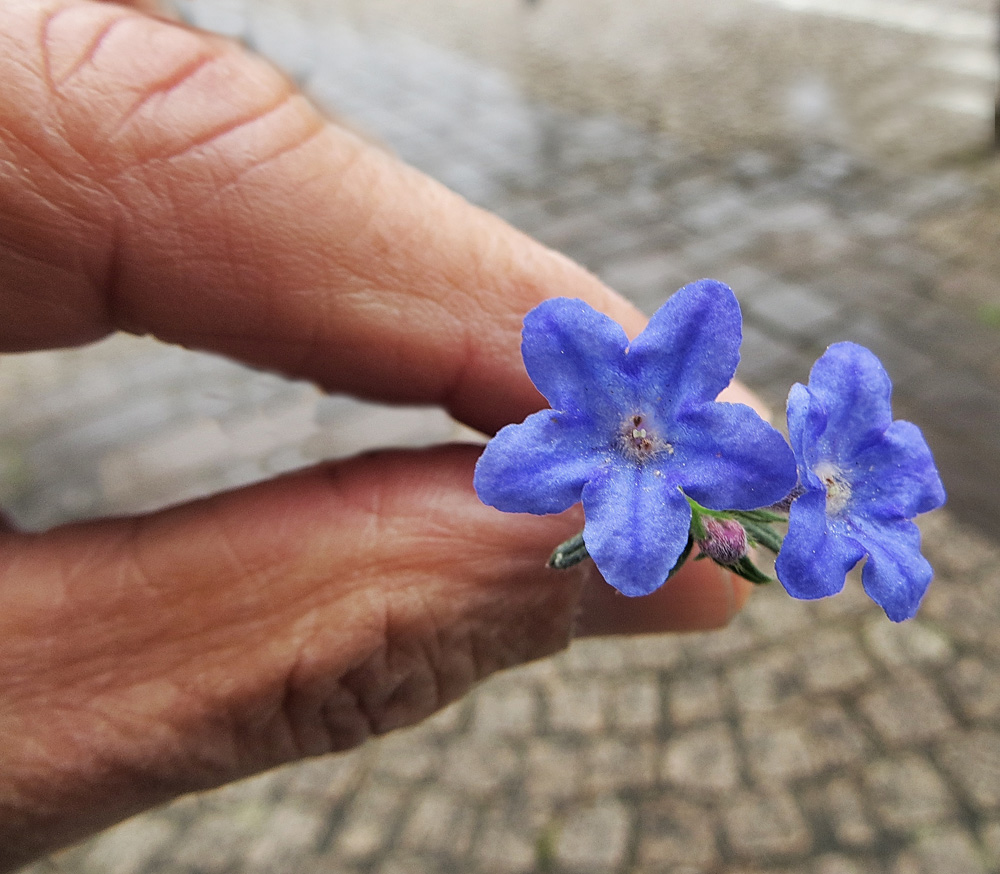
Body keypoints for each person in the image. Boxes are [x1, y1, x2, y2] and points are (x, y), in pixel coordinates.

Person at [0, 1, 759, 868]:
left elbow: (683, 348)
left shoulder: (668, 383)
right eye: (635, 429)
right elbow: (548, 377)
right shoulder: (586, 380)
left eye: (643, 432)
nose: (638, 434)